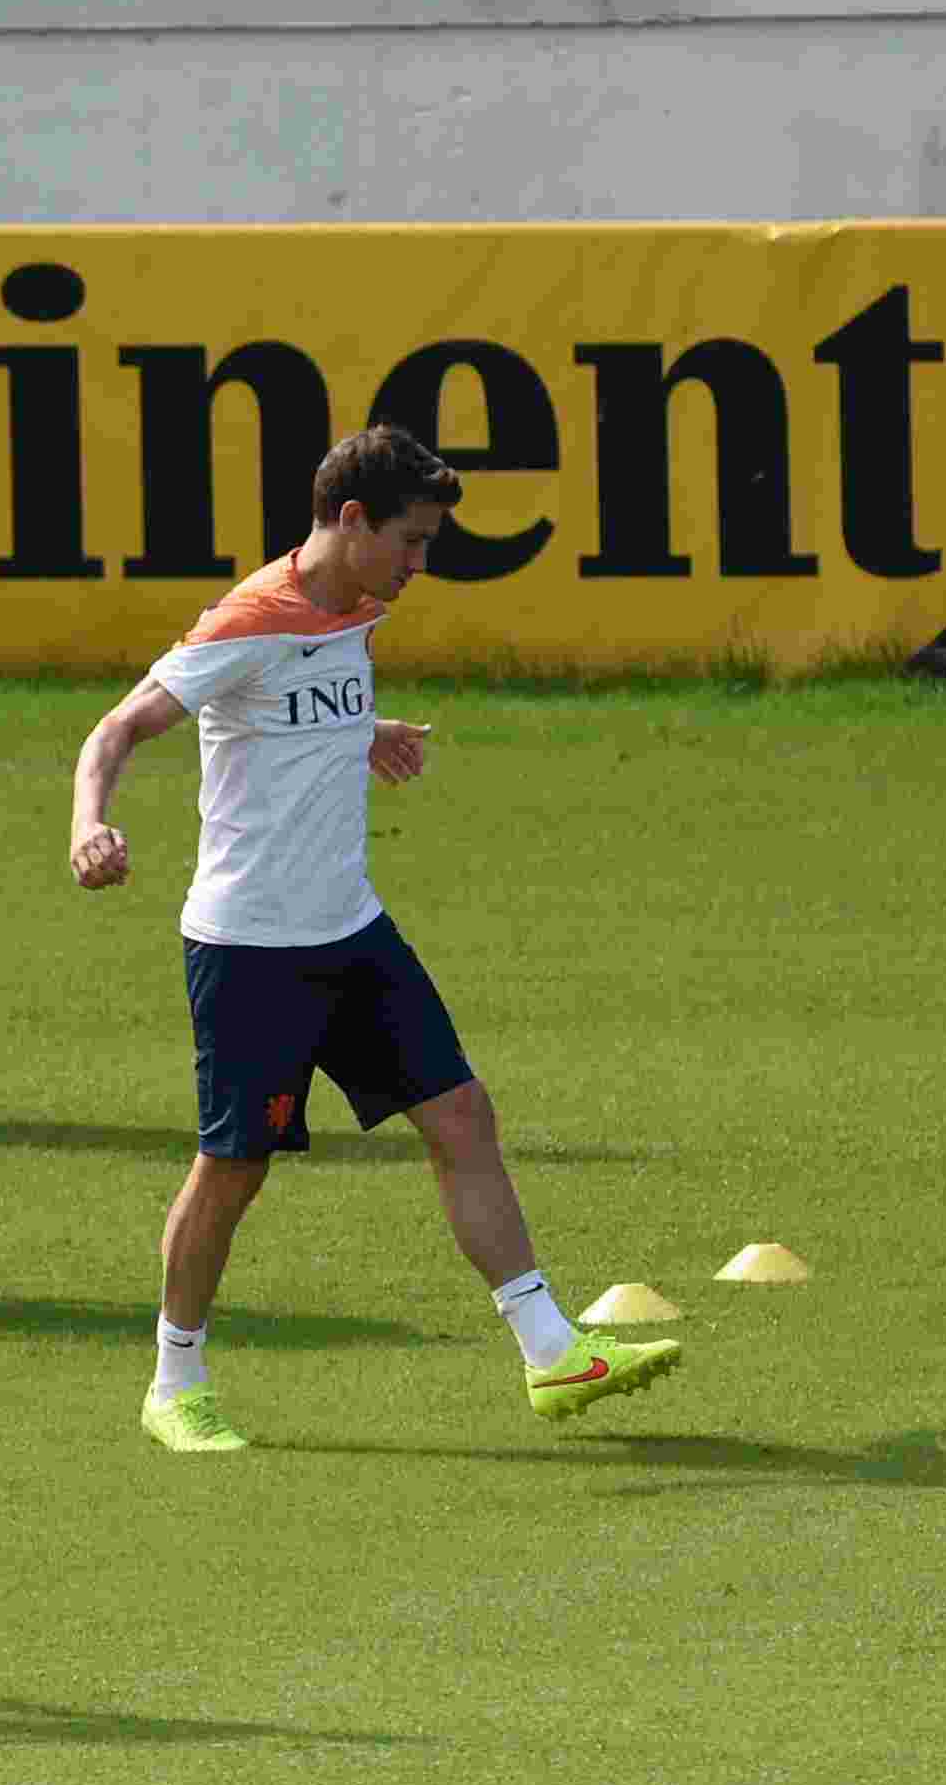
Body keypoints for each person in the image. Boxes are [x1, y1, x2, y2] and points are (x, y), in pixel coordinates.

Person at [66, 425, 683, 1452]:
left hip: (352, 931)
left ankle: (550, 1352)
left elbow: (295, 707)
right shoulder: (247, 620)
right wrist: (89, 825)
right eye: (411, 539)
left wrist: (364, 730)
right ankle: (175, 1383)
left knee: (461, 1116)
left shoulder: (356, 606)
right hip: (251, 952)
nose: (419, 563)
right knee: (233, 1169)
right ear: (350, 520)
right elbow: (116, 728)